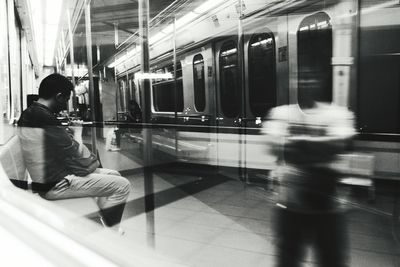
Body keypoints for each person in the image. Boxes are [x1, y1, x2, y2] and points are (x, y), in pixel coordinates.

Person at [263, 73, 356, 267]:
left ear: (320, 83)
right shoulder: (280, 113)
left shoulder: (338, 114)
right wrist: (321, 147)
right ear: (293, 84)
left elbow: (340, 144)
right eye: (301, 79)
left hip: (327, 203)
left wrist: (295, 145)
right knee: (288, 257)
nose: (306, 83)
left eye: (311, 78)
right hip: (291, 201)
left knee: (331, 258)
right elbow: (272, 145)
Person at [18, 73, 131, 228]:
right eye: (66, 99)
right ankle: (110, 233)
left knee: (114, 174)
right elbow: (78, 156)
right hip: (55, 185)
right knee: (122, 185)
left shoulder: (31, 113)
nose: (65, 104)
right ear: (59, 96)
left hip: (48, 177)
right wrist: (77, 132)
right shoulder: (45, 118)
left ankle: (104, 222)